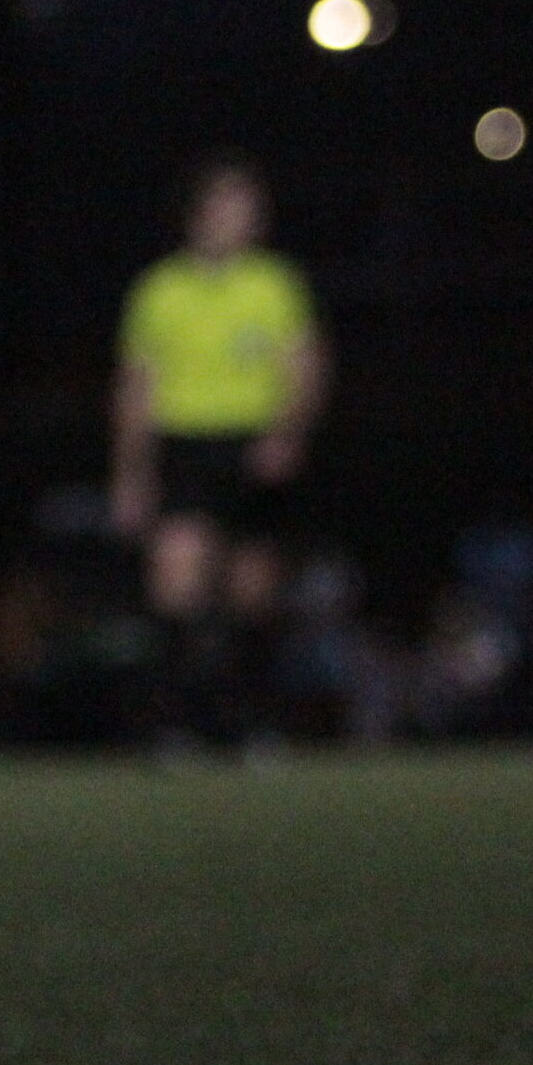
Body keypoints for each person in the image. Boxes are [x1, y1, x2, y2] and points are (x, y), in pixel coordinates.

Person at [109, 155, 327, 744]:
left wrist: (287, 435)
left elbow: (306, 369)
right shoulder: (160, 288)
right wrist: (131, 474)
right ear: (199, 215)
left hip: (253, 448)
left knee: (252, 590)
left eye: (249, 209)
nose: (240, 219)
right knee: (176, 577)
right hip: (184, 446)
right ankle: (177, 724)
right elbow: (135, 388)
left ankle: (252, 724)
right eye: (228, 206)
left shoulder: (274, 284)